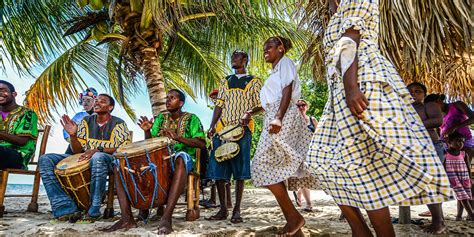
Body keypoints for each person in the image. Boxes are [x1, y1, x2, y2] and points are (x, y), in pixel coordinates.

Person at [306, 1, 452, 236]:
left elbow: (350, 40)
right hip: (341, 89)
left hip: (361, 81)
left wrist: (351, 87)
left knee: (365, 164)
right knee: (321, 161)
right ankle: (360, 230)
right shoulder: (336, 12)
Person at [105, 89, 206, 234]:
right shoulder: (160, 118)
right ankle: (127, 218)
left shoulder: (192, 119)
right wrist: (147, 131)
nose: (168, 100)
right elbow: (150, 144)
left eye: (172, 98)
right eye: (167, 98)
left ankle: (166, 218)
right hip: (158, 160)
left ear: (181, 103)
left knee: (180, 156)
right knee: (118, 164)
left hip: (182, 161)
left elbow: (201, 144)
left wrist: (178, 138)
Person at [251, 36, 318, 235]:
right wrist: (250, 113)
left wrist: (279, 117)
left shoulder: (285, 63)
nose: (265, 51)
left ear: (281, 48)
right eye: (264, 48)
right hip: (274, 115)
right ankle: (294, 223)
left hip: (283, 115)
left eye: (269, 47)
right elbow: (271, 100)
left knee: (261, 165)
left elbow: (287, 90)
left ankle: (294, 217)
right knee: (271, 166)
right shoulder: (274, 71)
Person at [39, 94, 131, 223]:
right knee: (45, 159)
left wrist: (97, 150)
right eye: (96, 101)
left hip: (109, 161)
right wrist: (73, 135)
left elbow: (122, 149)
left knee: (98, 157)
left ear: (110, 107)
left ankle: (94, 210)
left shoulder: (118, 123)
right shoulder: (86, 121)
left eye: (102, 101)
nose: (97, 103)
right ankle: (64, 208)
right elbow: (77, 151)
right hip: (85, 158)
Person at [207, 50, 263, 223]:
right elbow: (219, 104)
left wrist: (249, 113)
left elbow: (261, 105)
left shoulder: (254, 81)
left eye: (236, 57)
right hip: (222, 129)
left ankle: (237, 210)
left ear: (245, 60)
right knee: (218, 170)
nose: (232, 59)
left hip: (242, 129)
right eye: (231, 57)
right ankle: (223, 209)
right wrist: (212, 125)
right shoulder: (226, 80)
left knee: (240, 171)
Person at [407, 82, 446, 232]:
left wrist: (413, 125)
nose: (413, 93)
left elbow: (438, 120)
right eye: (410, 91)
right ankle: (439, 220)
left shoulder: (428, 106)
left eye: (418, 91)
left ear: (424, 94)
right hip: (416, 149)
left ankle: (438, 221)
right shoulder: (405, 108)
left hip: (431, 147)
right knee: (425, 184)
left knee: (431, 183)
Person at [200, 89, 232, 209]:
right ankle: (215, 200)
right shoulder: (218, 113)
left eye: (216, 97)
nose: (214, 100)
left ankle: (225, 202)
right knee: (216, 173)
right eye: (213, 98)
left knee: (221, 173)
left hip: (225, 141)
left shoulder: (226, 111)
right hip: (217, 141)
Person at [0, 80, 38, 170]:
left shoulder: (27, 113)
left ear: (14, 94)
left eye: (2, 90)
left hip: (18, 156)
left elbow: (22, 141)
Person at [291, 99, 318, 212]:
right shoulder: (293, 121)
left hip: (310, 152)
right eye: (298, 105)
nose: (301, 107)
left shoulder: (312, 119)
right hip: (299, 153)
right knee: (303, 177)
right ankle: (309, 204)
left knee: (307, 176)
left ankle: (299, 193)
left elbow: (319, 135)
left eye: (303, 105)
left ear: (307, 106)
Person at [443, 132, 474, 221]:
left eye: (462, 142)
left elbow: (468, 167)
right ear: (449, 142)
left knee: (465, 196)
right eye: (458, 141)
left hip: (464, 178)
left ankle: (459, 216)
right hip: (453, 178)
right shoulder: (446, 154)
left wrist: (471, 178)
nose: (461, 143)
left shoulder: (464, 154)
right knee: (462, 196)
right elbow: (444, 166)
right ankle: (471, 215)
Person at [63, 88, 97, 154]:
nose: (85, 102)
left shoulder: (101, 115)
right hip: (76, 147)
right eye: (83, 100)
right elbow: (67, 133)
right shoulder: (78, 116)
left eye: (88, 100)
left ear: (95, 101)